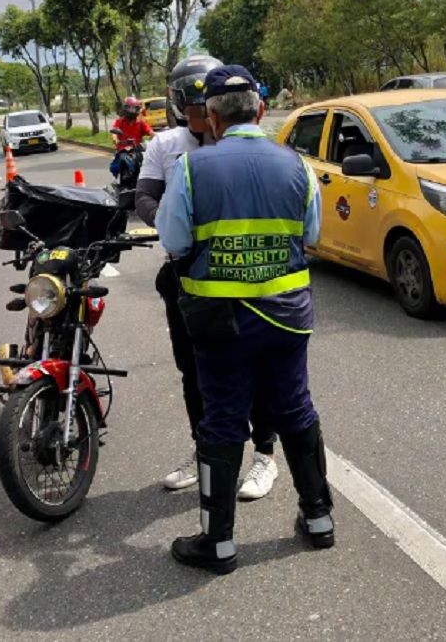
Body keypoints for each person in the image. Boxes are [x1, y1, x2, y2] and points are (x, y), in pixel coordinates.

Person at [155, 64, 333, 574]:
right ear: (259, 109)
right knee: (296, 410)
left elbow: (174, 242)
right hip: (286, 315)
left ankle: (219, 542)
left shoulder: (193, 170)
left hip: (221, 322)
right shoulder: (296, 165)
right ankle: (318, 520)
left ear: (210, 118)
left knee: (223, 420)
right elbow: (313, 236)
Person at [136, 56, 281, 502]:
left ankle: (263, 454)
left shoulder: (244, 146)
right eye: (195, 105)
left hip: (241, 272)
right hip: (186, 276)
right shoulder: (166, 146)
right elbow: (144, 196)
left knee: (253, 365)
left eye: (209, 104)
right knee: (194, 369)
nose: (204, 114)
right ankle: (206, 451)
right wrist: (168, 219)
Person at [109, 96, 154, 183]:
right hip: (123, 150)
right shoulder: (120, 121)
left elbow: (151, 132)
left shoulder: (141, 123)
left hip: (138, 151)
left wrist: (159, 136)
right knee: (116, 165)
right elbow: (114, 132)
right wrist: (115, 139)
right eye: (130, 108)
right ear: (125, 108)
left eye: (134, 108)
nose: (132, 111)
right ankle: (118, 180)